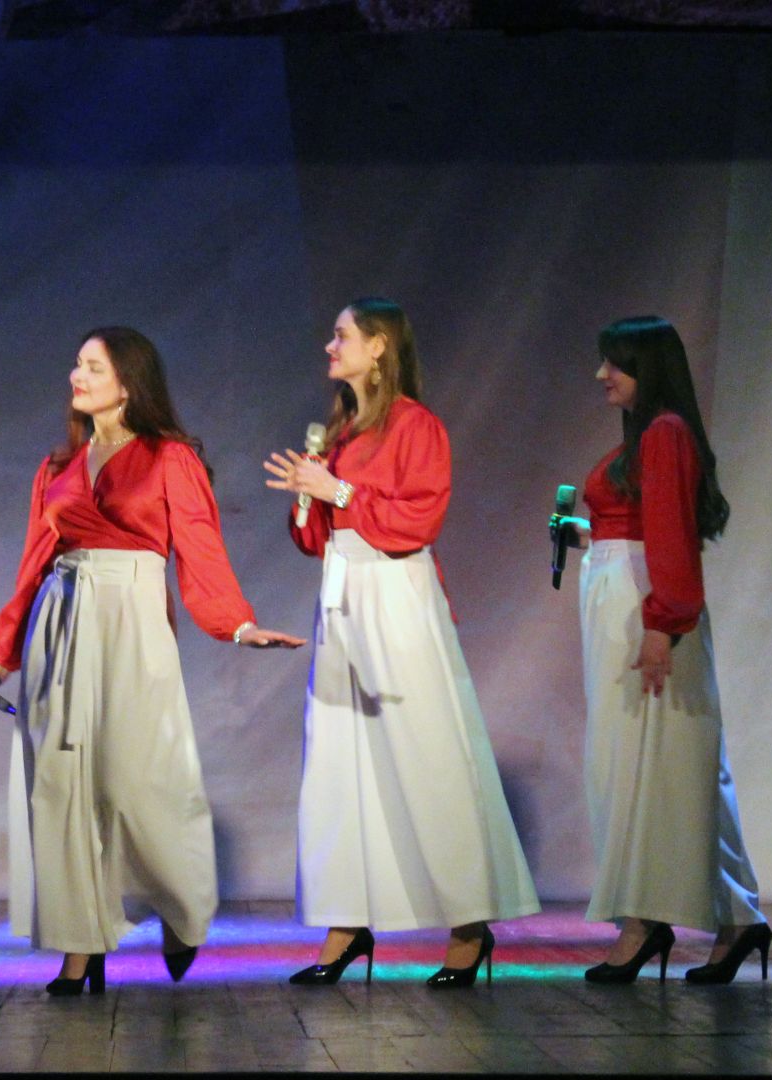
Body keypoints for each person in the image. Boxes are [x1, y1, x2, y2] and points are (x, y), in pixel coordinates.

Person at [0, 327, 304, 996]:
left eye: (93, 366)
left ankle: (181, 908)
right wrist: (2, 654)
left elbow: (198, 546)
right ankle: (79, 949)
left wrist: (236, 624)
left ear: (129, 382)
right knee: (60, 784)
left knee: (137, 781)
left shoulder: (168, 457)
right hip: (62, 622)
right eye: (77, 364)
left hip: (132, 617)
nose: (77, 375)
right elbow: (34, 562)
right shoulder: (56, 467)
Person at [263, 297, 539, 987]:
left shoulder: (417, 426)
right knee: (340, 762)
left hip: (395, 594)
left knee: (426, 753)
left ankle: (469, 926)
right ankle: (346, 925)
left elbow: (419, 518)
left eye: (343, 336)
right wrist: (308, 495)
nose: (331, 347)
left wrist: (339, 492)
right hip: (343, 594)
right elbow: (318, 536)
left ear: (380, 345)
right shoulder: (342, 431)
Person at [549, 316, 769, 984]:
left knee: (648, 768)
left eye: (615, 363)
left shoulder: (664, 432)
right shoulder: (652, 436)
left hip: (647, 611)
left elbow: (671, 535)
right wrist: (586, 535)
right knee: (675, 767)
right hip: (634, 603)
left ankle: (644, 923)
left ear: (647, 367)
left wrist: (661, 622)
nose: (602, 375)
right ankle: (736, 917)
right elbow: (642, 526)